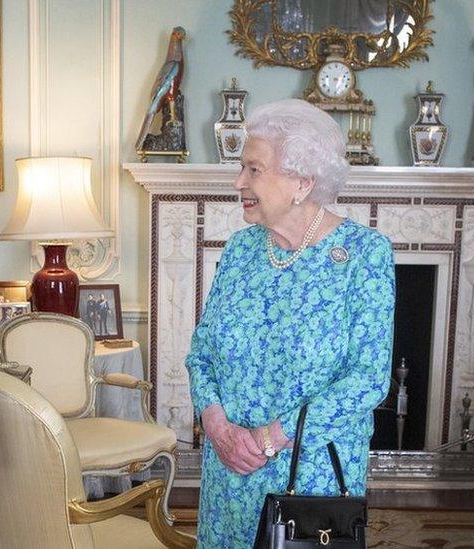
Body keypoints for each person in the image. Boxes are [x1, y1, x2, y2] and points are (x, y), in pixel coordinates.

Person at [186, 98, 395, 547]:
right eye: (242, 168)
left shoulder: (364, 255)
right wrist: (218, 427)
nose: (239, 181)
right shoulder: (242, 250)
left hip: (311, 473)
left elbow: (368, 380)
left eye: (254, 169)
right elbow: (201, 353)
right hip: (229, 465)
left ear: (302, 181)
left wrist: (268, 439)